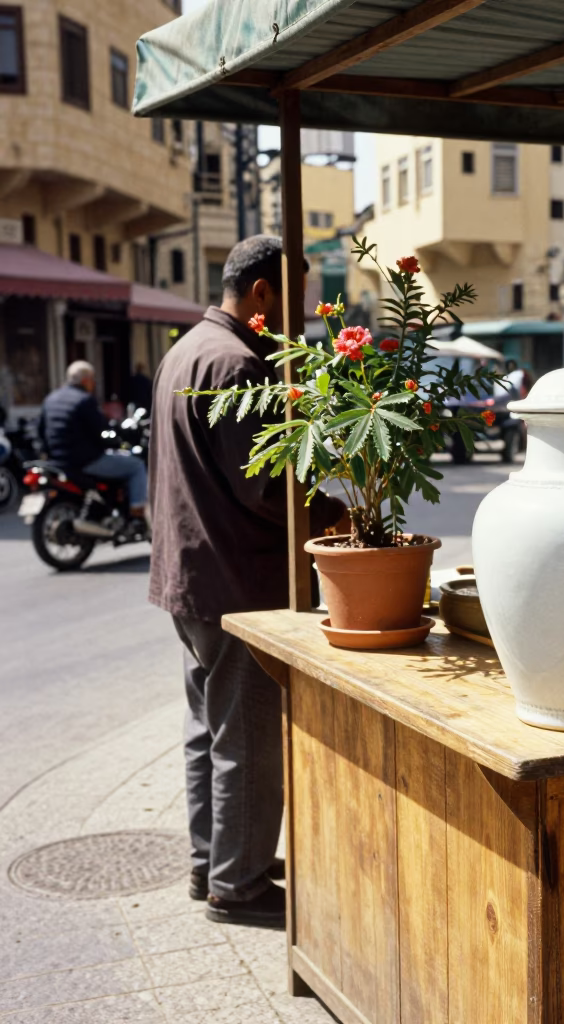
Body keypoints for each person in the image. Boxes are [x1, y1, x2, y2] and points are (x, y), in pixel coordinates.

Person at [149, 235, 348, 929]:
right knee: (248, 740)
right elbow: (268, 487)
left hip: (190, 578)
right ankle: (238, 883)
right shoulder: (237, 365)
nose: (298, 317)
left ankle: (212, 864)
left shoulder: (184, 350)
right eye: (292, 298)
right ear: (262, 293)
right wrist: (341, 513)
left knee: (207, 730)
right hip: (239, 584)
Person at [39, 361, 148, 519]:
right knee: (136, 466)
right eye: (92, 380)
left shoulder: (51, 398)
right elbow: (101, 431)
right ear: (86, 380)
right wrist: (116, 442)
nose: (94, 383)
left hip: (57, 460)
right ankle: (137, 509)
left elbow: (40, 430)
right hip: (85, 460)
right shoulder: (84, 400)